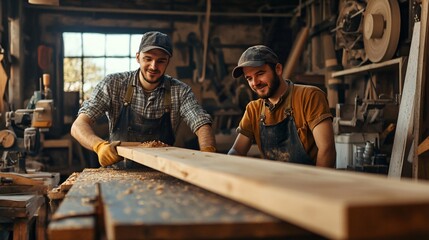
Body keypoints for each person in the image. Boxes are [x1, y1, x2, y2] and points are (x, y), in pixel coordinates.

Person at [71, 31, 216, 168]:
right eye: (148, 59)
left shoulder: (180, 91)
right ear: (137, 57)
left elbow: (201, 124)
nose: (153, 66)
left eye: (160, 61)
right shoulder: (113, 84)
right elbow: (78, 126)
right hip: (119, 174)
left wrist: (208, 155)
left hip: (163, 173)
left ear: (168, 62)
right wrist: (99, 146)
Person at [228, 45, 336, 167]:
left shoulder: (309, 96)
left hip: (308, 181)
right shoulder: (253, 109)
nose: (255, 83)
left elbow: (327, 149)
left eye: (260, 73)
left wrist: (317, 185)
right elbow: (237, 151)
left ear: (278, 69)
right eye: (249, 78)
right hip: (273, 182)